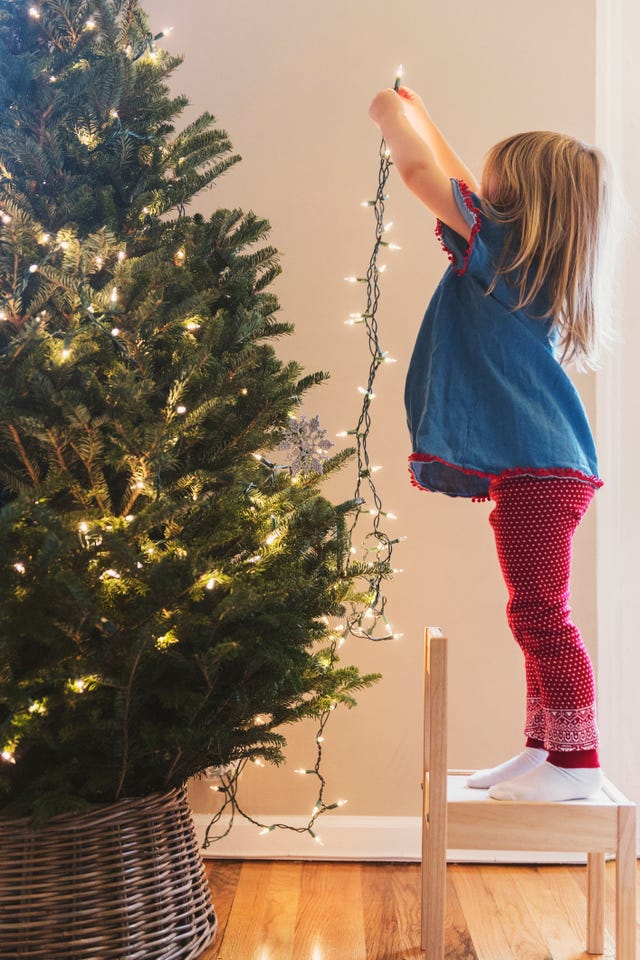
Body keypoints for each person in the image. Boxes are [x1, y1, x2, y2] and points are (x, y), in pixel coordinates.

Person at [369, 85, 613, 802]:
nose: (478, 187)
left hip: (541, 468)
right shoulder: (522, 251)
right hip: (541, 468)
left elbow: (422, 178)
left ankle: (578, 762)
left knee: (542, 613)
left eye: (494, 176)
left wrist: (388, 113)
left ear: (521, 200)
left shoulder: (502, 246)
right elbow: (458, 182)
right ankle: (545, 750)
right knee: (534, 611)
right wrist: (425, 117)